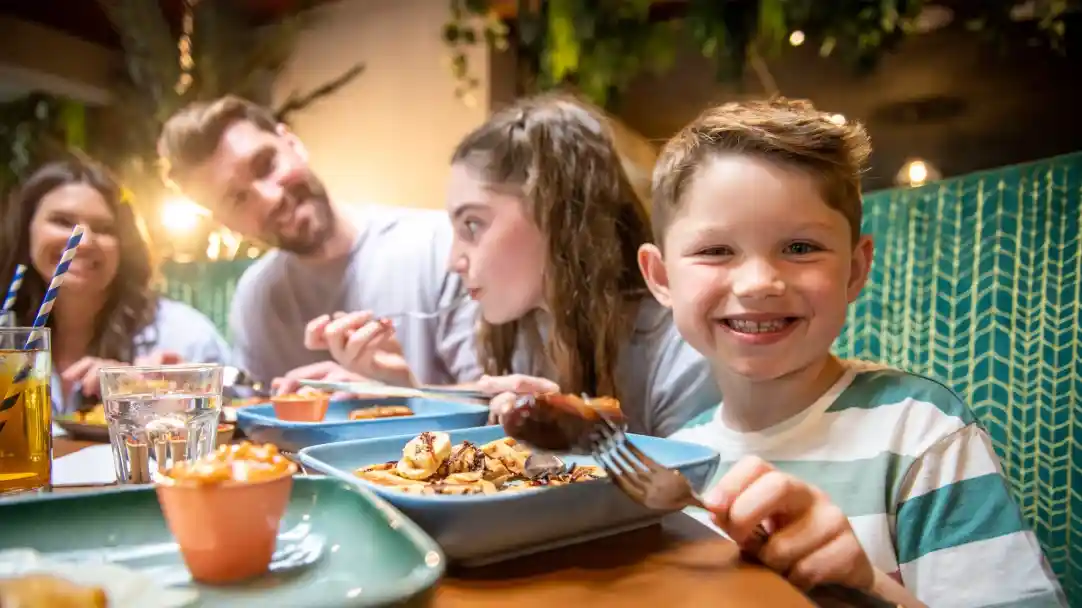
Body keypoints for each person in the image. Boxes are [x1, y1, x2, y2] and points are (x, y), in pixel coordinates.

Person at [641, 98, 1064, 605]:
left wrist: (866, 587)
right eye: (715, 251)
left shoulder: (921, 432)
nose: (758, 284)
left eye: (800, 247)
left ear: (856, 270)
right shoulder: (676, 461)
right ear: (661, 277)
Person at [309, 94, 720, 437]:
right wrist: (403, 391)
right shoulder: (522, 333)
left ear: (556, 215)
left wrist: (583, 438)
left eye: (473, 224)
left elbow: (699, 516)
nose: (453, 261)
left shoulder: (682, 350)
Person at [157, 96, 481, 389]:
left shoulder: (441, 246)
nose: (270, 199)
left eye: (266, 165)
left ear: (293, 143)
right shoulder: (255, 300)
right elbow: (256, 420)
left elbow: (500, 401)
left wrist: (407, 393)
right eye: (238, 198)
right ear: (226, 224)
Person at [0, 160, 231, 413]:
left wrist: (152, 394)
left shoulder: (183, 335)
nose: (84, 241)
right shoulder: (7, 331)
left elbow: (238, 414)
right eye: (63, 221)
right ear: (26, 231)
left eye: (103, 228)